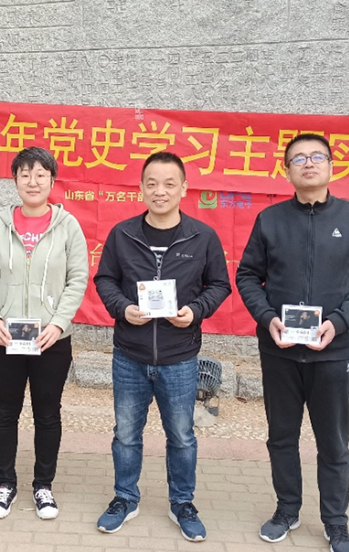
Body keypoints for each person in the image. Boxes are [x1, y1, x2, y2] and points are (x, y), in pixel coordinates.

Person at [236, 133, 349, 552]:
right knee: (281, 436)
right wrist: (267, 318)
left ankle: (336, 523)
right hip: (279, 350)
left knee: (333, 442)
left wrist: (338, 323)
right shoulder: (270, 220)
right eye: (298, 158)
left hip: (331, 353)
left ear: (331, 166)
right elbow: (247, 275)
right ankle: (287, 510)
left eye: (317, 156)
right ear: (287, 171)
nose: (308, 163)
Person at [93, 151, 231, 541]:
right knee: (126, 434)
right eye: (152, 183)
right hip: (130, 355)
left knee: (182, 436)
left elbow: (220, 284)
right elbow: (105, 280)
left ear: (184, 188)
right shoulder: (123, 234)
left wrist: (195, 311)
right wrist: (123, 308)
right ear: (140, 188)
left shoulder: (202, 236)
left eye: (169, 184)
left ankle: (182, 503)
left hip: (179, 357)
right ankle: (125, 498)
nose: (160, 191)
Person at [0, 147, 89, 520]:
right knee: (5, 412)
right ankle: (4, 484)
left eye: (41, 174)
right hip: (6, 337)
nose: (33, 181)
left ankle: (43, 486)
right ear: (15, 180)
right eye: (25, 174)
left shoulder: (68, 226)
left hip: (51, 339)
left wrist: (58, 323)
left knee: (47, 413)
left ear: (52, 180)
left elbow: (77, 279)